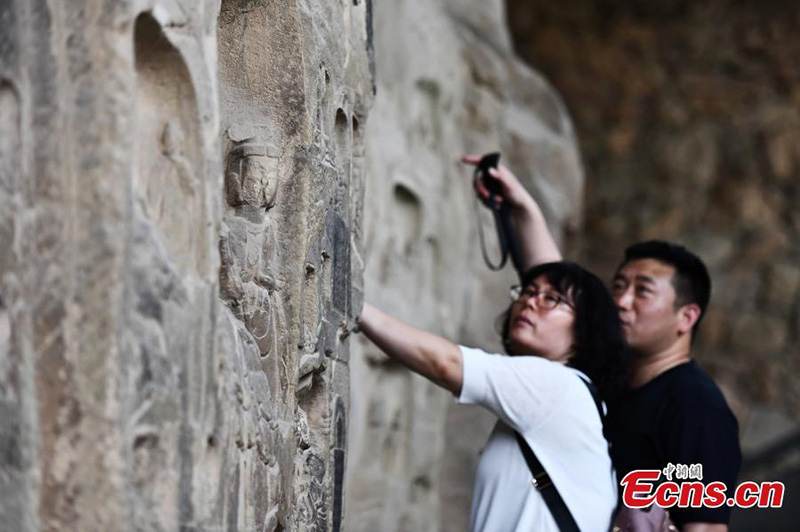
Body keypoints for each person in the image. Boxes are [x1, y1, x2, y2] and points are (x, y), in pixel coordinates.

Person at [466, 155, 742, 531]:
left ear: (686, 317)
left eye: (642, 291)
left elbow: (706, 527)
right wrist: (521, 206)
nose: (622, 302)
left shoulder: (696, 406)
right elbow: (556, 287)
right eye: (618, 287)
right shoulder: (605, 376)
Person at [358, 260, 628, 531]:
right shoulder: (571, 397)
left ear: (583, 332)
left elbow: (446, 364)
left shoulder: (556, 386)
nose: (530, 302)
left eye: (552, 299)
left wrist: (357, 305)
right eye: (528, 291)